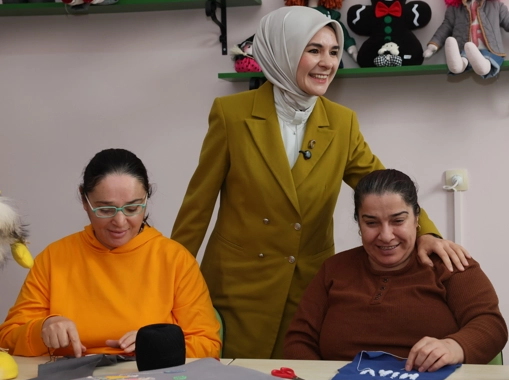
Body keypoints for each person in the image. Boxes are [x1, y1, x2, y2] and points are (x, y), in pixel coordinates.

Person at [171, 6, 470, 360]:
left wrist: (427, 234)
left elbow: (383, 186)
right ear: (282, 51)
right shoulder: (230, 114)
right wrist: (170, 283)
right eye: (313, 50)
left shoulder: (342, 122)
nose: (327, 63)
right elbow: (197, 207)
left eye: (333, 51)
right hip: (237, 288)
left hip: (307, 289)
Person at [0, 149, 221, 359]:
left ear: (146, 199)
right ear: (84, 201)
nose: (120, 221)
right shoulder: (54, 258)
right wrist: (42, 329)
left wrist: (158, 345)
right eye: (105, 210)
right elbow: (8, 339)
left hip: (149, 378)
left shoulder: (175, 260)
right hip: (70, 379)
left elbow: (208, 344)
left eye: (132, 208)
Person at [284, 169, 508, 371]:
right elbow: (298, 340)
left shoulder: (449, 264)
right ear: (359, 223)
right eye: (371, 223)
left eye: (398, 221)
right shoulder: (334, 269)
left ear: (416, 219)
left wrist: (454, 346)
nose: (386, 235)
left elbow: (491, 325)